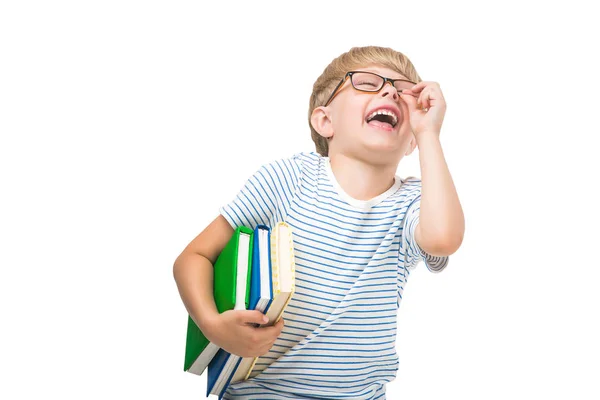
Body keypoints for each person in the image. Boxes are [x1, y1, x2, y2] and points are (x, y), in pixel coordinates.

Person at [173, 45, 465, 399]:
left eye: (403, 91)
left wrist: (429, 134)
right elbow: (194, 257)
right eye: (368, 83)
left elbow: (443, 240)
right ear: (325, 121)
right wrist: (212, 325)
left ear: (410, 144)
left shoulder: (412, 203)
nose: (390, 91)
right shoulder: (287, 178)